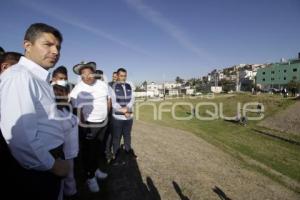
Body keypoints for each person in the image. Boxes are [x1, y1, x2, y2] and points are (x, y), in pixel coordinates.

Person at [0, 23, 70, 200]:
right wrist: (51, 165)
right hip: (38, 167)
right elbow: (20, 137)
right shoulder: (19, 77)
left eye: (58, 47)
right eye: (48, 44)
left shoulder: (38, 78)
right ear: (27, 45)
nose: (55, 51)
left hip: (46, 159)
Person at [69, 61, 109, 193]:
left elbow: (108, 99)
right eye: (84, 73)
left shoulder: (103, 84)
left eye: (90, 72)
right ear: (81, 75)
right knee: (88, 153)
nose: (87, 75)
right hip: (88, 125)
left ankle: (95, 169)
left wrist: (106, 115)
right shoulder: (77, 89)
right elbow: (76, 110)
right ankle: (89, 177)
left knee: (98, 149)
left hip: (103, 122)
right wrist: (84, 127)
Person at [53, 84, 79, 199]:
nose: (59, 95)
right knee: (61, 181)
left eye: (62, 93)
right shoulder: (52, 113)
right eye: (56, 93)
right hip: (61, 154)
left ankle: (71, 193)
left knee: (70, 177)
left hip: (71, 152)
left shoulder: (66, 109)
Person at [110, 68, 137, 166]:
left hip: (129, 117)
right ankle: (116, 157)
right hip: (118, 117)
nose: (123, 78)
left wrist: (128, 108)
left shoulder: (129, 85)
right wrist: (124, 110)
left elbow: (132, 99)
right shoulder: (112, 87)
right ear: (117, 76)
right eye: (121, 76)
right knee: (117, 138)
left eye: (125, 76)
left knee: (127, 136)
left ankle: (128, 153)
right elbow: (114, 103)